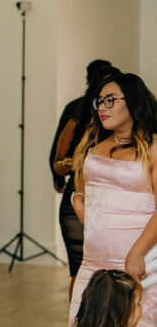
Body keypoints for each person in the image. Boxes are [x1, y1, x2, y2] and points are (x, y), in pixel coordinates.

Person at [69, 70, 157, 327]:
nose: (103, 107)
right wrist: (81, 207)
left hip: (140, 265)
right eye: (99, 101)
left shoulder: (152, 147)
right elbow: (91, 199)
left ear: (132, 103)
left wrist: (136, 251)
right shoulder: (95, 146)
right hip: (94, 266)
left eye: (111, 100)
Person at [50, 59, 112, 292]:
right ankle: (76, 325)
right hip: (77, 197)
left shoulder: (126, 126)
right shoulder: (77, 113)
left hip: (110, 203)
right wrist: (64, 168)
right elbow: (57, 160)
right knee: (79, 272)